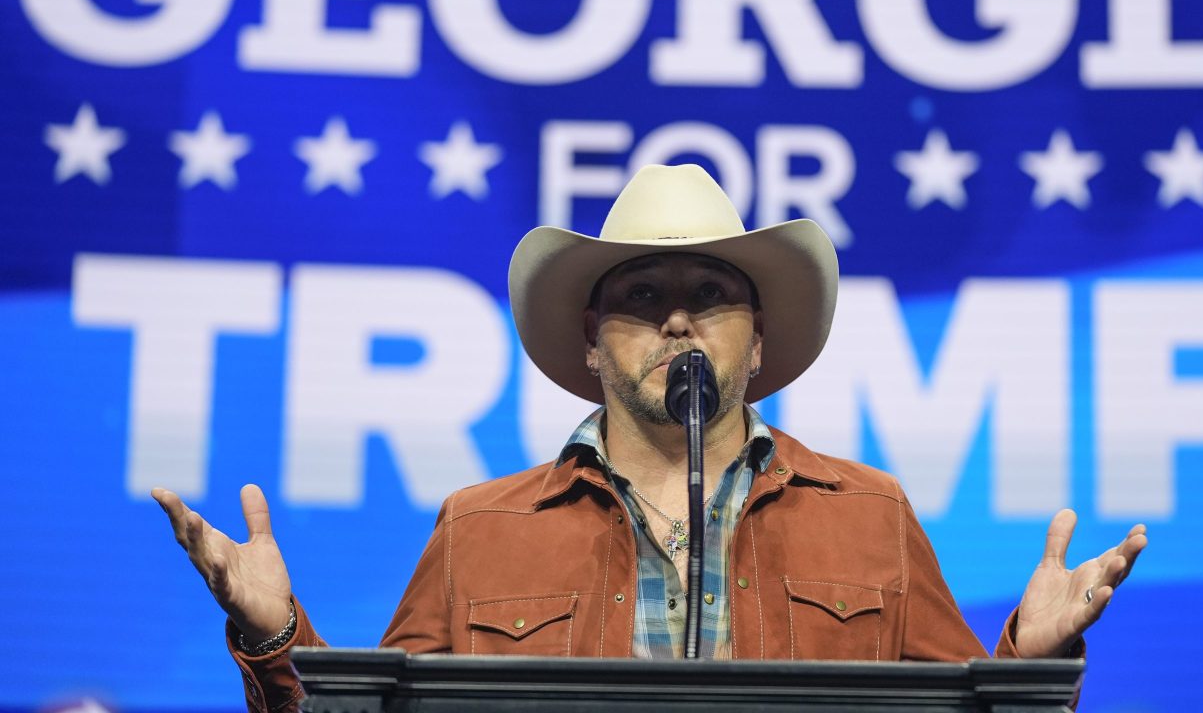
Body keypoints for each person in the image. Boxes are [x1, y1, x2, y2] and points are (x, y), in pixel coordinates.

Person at [154, 164, 1147, 712]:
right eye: (640, 296)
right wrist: (275, 634)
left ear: (757, 342)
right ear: (591, 341)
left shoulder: (872, 514)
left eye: (711, 296)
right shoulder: (478, 526)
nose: (678, 321)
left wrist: (1030, 661)